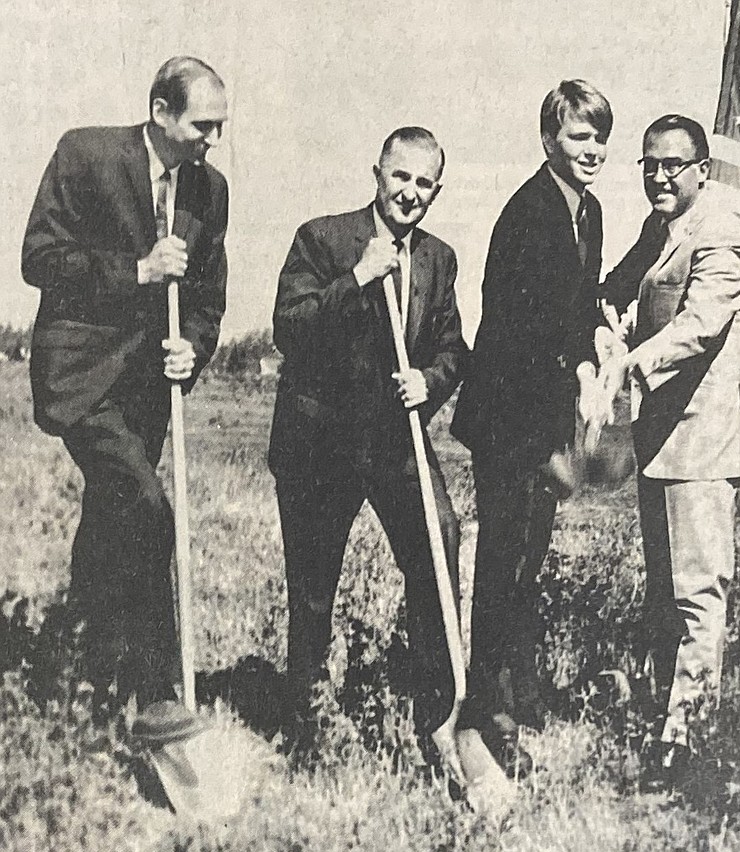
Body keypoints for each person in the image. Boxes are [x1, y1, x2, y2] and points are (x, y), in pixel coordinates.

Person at [21, 56, 229, 718]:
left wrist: (191, 349)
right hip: (81, 376)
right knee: (145, 506)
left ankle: (81, 668)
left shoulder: (209, 189)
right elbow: (41, 257)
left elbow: (207, 297)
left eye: (221, 127)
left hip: (147, 388)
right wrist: (136, 271)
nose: (212, 141)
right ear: (161, 113)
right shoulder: (85, 155)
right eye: (203, 125)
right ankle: (157, 690)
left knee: (111, 514)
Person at [269, 127, 468, 765]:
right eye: (400, 177)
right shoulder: (323, 239)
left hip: (394, 440)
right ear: (376, 174)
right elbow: (290, 329)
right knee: (314, 580)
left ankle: (435, 706)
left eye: (424, 182)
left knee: (439, 537)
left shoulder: (438, 259)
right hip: (320, 441)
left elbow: (452, 348)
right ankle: (309, 714)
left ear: (437, 189)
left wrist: (428, 381)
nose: (410, 192)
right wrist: (358, 277)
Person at [450, 79, 611, 770]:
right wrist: (568, 377)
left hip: (547, 416)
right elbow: (514, 325)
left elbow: (576, 311)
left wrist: (589, 351)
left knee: (529, 560)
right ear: (549, 140)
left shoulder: (589, 211)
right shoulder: (528, 212)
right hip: (509, 418)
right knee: (503, 562)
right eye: (579, 137)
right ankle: (487, 710)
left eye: (600, 138)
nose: (592, 150)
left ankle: (516, 684)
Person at [598, 114, 740, 791]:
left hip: (701, 441)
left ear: (704, 168)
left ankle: (684, 731)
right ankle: (663, 705)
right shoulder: (659, 229)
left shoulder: (722, 233)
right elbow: (620, 292)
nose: (659, 177)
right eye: (649, 165)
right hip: (660, 439)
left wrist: (629, 364)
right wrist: (609, 328)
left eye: (672, 165)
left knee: (698, 590)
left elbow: (697, 326)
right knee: (664, 589)